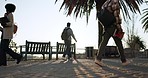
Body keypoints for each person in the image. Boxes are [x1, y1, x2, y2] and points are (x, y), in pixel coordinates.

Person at [95, 0, 129, 66]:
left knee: (104, 42)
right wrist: (119, 28)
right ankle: (124, 61)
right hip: (113, 27)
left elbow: (103, 16)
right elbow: (116, 16)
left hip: (106, 27)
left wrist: (105, 26)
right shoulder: (115, 2)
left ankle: (98, 59)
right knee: (119, 42)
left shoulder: (106, 3)